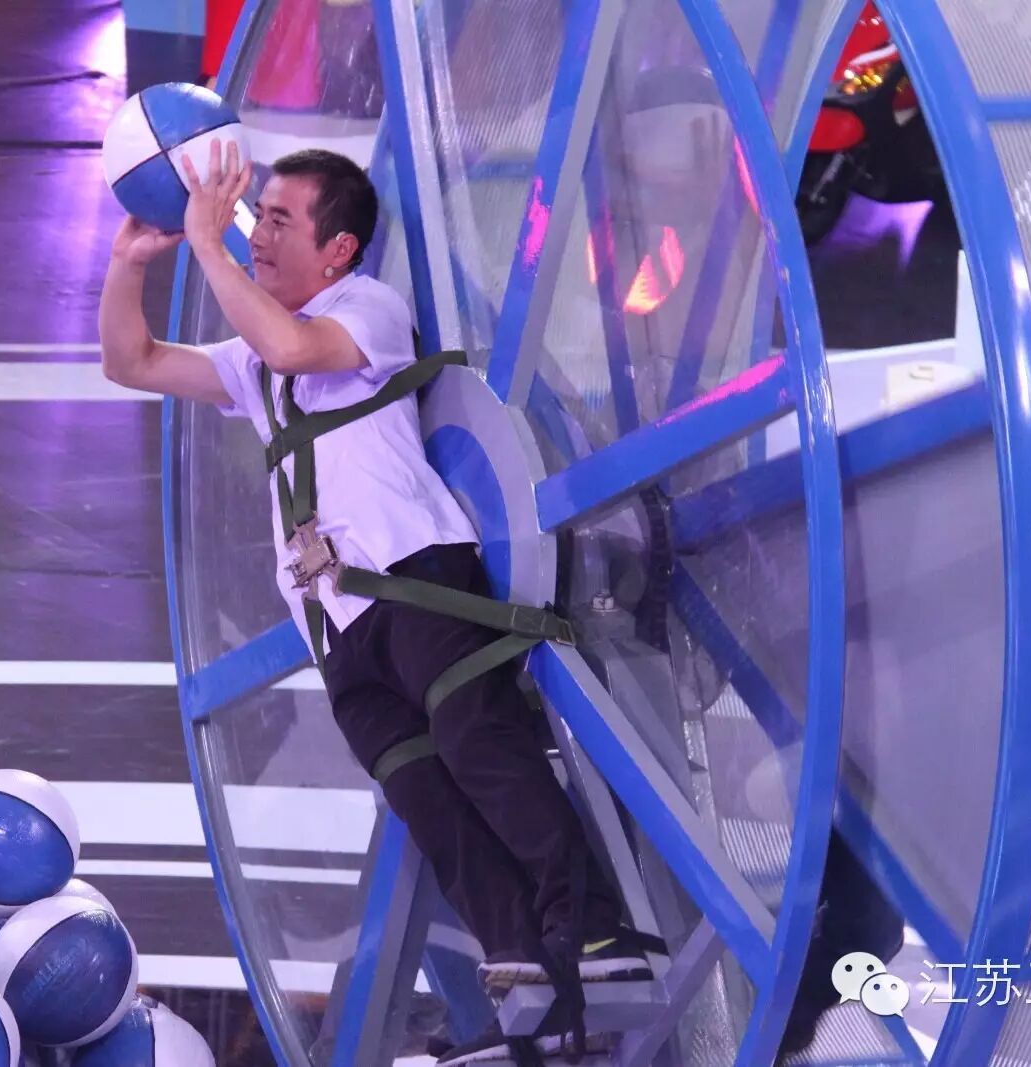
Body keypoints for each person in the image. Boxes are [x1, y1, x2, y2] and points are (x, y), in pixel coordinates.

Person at [99, 142, 658, 1064]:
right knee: (424, 792)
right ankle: (522, 955)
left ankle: (594, 929)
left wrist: (204, 245)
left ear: (340, 250)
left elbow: (291, 346)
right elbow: (134, 361)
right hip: (338, 625)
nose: (255, 234)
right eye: (257, 215)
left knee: (483, 747)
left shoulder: (367, 310)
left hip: (416, 575)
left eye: (279, 219)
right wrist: (128, 264)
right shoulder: (255, 360)